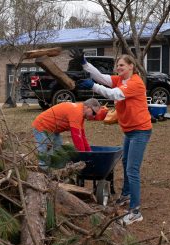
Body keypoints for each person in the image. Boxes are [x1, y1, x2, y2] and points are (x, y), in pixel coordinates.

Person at [73, 49, 152, 225]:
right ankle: (126, 195)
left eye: (122, 65)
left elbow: (114, 94)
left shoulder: (135, 83)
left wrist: (92, 86)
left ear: (131, 66)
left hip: (140, 131)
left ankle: (135, 211)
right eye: (117, 66)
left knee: (132, 170)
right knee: (125, 163)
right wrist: (85, 63)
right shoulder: (121, 80)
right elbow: (102, 77)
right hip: (130, 131)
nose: (118, 68)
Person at [32, 98, 101, 170]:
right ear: (87, 107)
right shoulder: (77, 112)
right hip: (42, 126)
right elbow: (77, 137)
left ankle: (57, 173)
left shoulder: (80, 113)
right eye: (94, 113)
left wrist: (89, 153)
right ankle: (43, 173)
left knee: (59, 152)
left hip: (53, 130)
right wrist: (83, 156)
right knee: (46, 153)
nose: (94, 116)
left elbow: (82, 137)